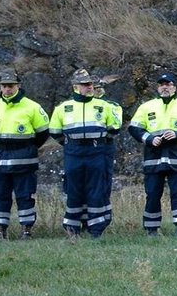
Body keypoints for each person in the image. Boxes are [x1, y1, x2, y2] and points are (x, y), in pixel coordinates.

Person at [127, 72, 177, 236]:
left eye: (168, 84)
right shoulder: (146, 107)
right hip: (153, 158)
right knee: (152, 194)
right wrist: (148, 139)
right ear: (158, 87)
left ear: (174, 87)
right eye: (162, 84)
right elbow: (134, 128)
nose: (165, 87)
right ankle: (151, 229)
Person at [51, 69, 124, 239]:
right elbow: (55, 132)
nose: (89, 87)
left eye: (91, 84)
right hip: (73, 153)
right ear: (76, 87)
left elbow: (114, 129)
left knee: (96, 190)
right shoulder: (63, 108)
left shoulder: (104, 106)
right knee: (73, 189)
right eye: (85, 84)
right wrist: (72, 144)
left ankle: (96, 230)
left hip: (96, 152)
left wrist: (97, 142)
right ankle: (72, 229)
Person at [0, 69, 50, 239]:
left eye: (11, 85)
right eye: (4, 86)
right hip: (1, 162)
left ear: (18, 86)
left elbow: (43, 133)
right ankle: (0, 230)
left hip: (24, 161)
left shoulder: (32, 107)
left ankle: (26, 230)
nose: (7, 89)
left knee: (25, 196)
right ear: (0, 87)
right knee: (0, 196)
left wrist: (28, 148)